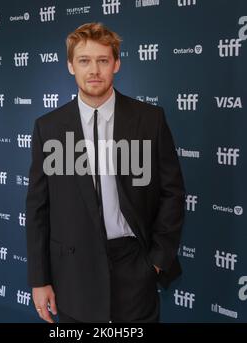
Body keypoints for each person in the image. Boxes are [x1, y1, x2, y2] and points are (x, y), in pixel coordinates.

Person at [26, 22, 185, 323]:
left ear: (117, 64)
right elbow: (37, 207)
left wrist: (156, 261)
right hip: (72, 271)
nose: (94, 70)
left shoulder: (149, 120)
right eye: (84, 61)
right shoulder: (47, 128)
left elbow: (172, 192)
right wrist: (39, 279)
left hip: (133, 264)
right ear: (70, 66)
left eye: (103, 60)